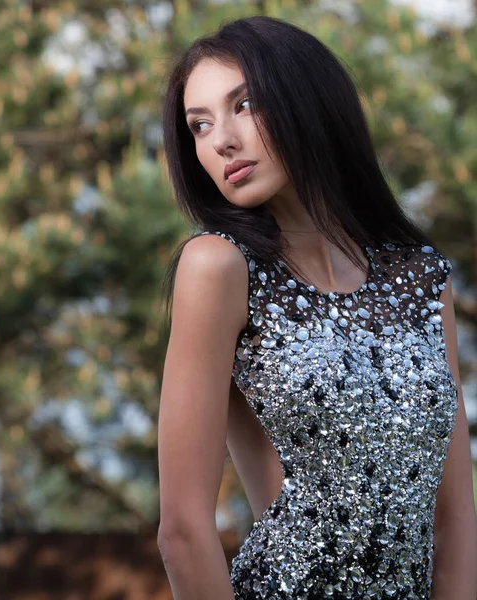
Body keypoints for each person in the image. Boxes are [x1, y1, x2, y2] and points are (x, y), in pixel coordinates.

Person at [154, 15, 477, 600]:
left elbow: (455, 518)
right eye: (198, 126)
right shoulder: (218, 268)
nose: (221, 139)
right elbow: (181, 530)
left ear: (310, 100)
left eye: (244, 105)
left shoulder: (420, 276)